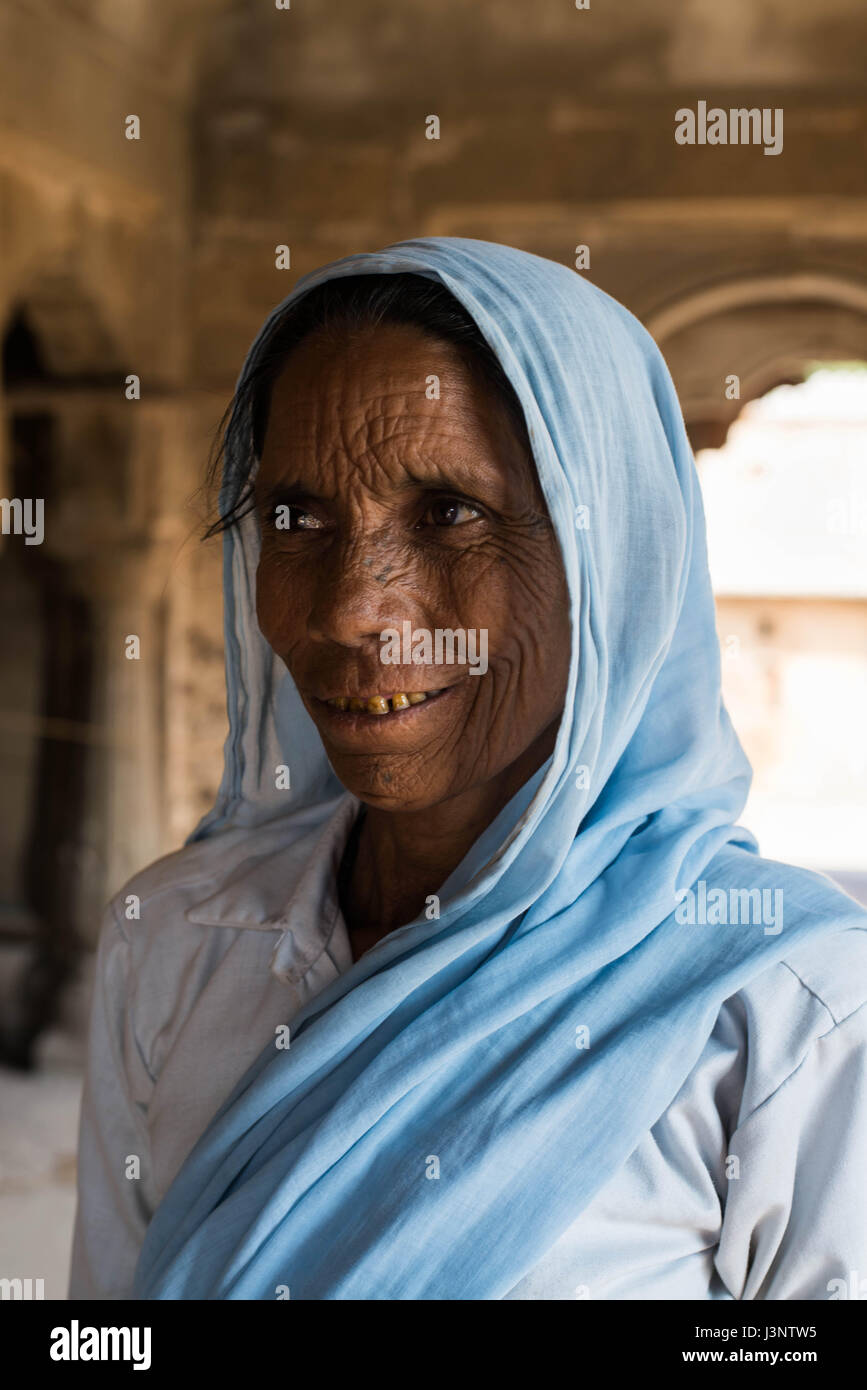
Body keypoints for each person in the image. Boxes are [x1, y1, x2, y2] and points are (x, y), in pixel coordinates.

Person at [69, 237, 867, 1300]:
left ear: (611, 562)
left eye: (450, 514)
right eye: (297, 520)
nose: (353, 608)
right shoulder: (180, 938)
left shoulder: (787, 1012)